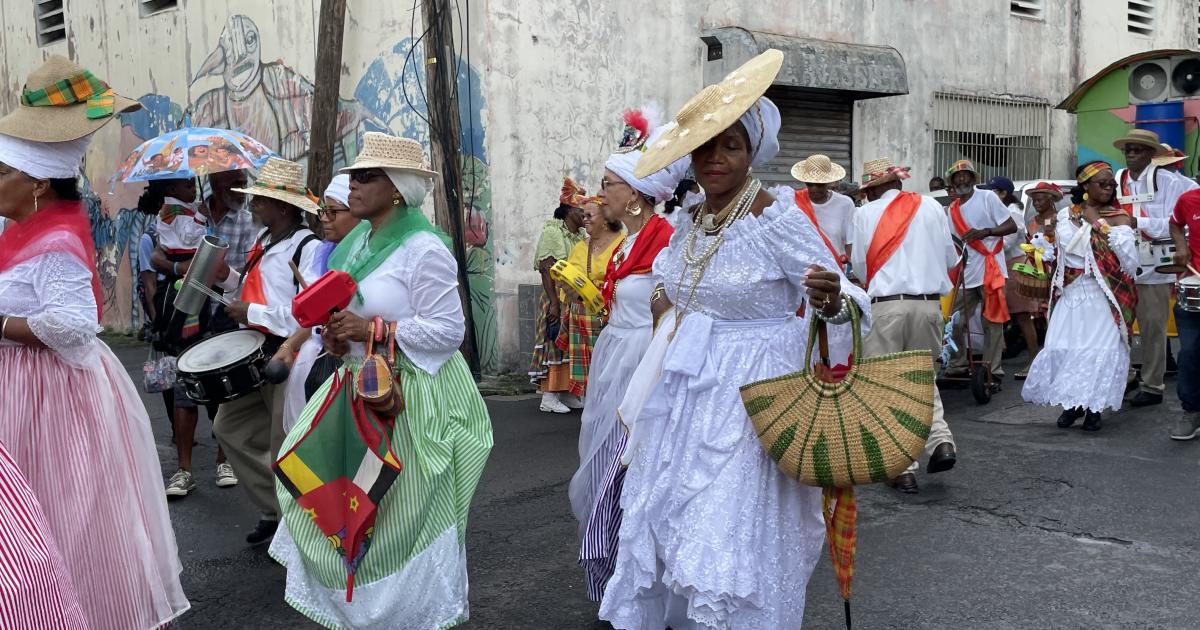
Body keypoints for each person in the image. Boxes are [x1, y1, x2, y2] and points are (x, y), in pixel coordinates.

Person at [598, 49, 871, 629]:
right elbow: (671, 290)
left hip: (755, 397)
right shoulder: (689, 220)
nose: (716, 158)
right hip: (686, 392)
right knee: (678, 516)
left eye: (731, 145)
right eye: (706, 146)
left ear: (752, 152)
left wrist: (828, 298)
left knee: (733, 525)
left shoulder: (776, 217)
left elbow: (848, 298)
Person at [269, 131, 492, 629]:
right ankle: (359, 615)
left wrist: (371, 329)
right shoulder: (355, 243)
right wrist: (337, 337)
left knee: (398, 519)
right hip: (354, 388)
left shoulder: (423, 248)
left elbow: (450, 331)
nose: (352, 184)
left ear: (396, 188)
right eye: (354, 175)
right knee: (328, 503)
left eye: (365, 176)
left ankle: (408, 616)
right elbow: (350, 314)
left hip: (407, 398)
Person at [0, 55, 189, 628]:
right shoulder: (24, 227)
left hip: (53, 396)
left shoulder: (55, 238)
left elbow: (74, 323)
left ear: (33, 184)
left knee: (60, 514)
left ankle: (69, 610)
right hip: (25, 387)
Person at [569, 112, 688, 601]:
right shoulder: (627, 244)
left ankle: (634, 579)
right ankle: (613, 570)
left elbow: (671, 311)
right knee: (600, 462)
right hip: (613, 355)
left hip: (642, 360)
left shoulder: (667, 241)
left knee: (628, 469)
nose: (601, 196)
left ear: (635, 195)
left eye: (608, 185)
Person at [213, 156, 321, 545]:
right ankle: (274, 510)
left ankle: (295, 528)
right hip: (252, 351)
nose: (253, 204)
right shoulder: (263, 241)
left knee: (283, 444)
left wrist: (252, 311)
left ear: (283, 207)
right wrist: (226, 279)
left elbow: (308, 315)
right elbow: (255, 289)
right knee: (228, 428)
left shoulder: (308, 248)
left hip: (285, 355)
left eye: (261, 199)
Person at [850, 157, 959, 495]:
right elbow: (951, 259)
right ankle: (940, 442)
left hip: (886, 306)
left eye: (868, 191)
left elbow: (859, 266)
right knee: (922, 378)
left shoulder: (864, 214)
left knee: (886, 388)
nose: (866, 197)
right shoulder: (931, 206)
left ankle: (903, 468)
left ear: (876, 189)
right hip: (927, 305)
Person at [140, 177, 241, 497]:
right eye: (231, 179)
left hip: (224, 314)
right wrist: (181, 266)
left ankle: (225, 461)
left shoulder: (246, 222)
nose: (237, 184)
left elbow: (241, 273)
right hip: (186, 316)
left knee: (221, 392)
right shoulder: (179, 214)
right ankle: (185, 471)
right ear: (215, 182)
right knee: (184, 391)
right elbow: (157, 257)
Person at [1023, 162, 1138, 431]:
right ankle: (1073, 405)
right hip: (1072, 293)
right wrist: (1044, 247)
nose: (1108, 188)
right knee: (1065, 348)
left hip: (1103, 295)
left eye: (1111, 184)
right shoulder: (1066, 215)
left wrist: (1096, 223)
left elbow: (1128, 263)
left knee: (1099, 351)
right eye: (1102, 183)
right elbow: (1057, 252)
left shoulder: (1119, 217)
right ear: (1085, 186)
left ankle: (1094, 409)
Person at [1113, 129, 1199, 407]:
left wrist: (1138, 223)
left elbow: (1179, 222)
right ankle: (1125, 376)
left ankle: (1152, 384)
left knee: (1152, 327)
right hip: (1121, 263)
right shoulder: (1117, 180)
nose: (1132, 154)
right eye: (1129, 150)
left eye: (1138, 150)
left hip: (1155, 263)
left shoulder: (1174, 183)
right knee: (1118, 326)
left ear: (1151, 154)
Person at [275, 173, 360, 433]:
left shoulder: (366, 259)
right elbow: (315, 318)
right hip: (314, 358)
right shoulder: (322, 252)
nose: (324, 218)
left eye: (333, 211)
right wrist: (289, 346)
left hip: (351, 365)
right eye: (324, 210)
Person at [945, 160, 1018, 378]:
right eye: (956, 177)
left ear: (973, 178)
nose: (961, 179)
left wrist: (985, 232)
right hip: (966, 272)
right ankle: (958, 364)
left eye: (965, 175)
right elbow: (953, 243)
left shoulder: (987, 197)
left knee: (992, 323)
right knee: (953, 320)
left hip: (991, 269)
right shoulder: (953, 209)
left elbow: (1011, 225)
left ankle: (992, 369)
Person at [556, 195, 623, 402]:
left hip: (611, 317)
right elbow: (566, 279)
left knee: (610, 372)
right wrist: (566, 286)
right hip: (582, 318)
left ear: (605, 218)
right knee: (588, 377)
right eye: (583, 215)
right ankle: (591, 414)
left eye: (589, 215)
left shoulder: (622, 244)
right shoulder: (580, 247)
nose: (584, 219)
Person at [530, 180, 588, 413]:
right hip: (555, 297)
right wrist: (554, 303)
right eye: (581, 209)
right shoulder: (553, 232)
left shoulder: (580, 234)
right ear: (570, 210)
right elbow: (546, 268)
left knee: (568, 346)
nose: (585, 214)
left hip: (572, 298)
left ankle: (566, 392)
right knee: (553, 342)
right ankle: (549, 396)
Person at [1008, 181, 1062, 379]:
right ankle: (1034, 361)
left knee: (1055, 319)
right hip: (1035, 273)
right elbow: (1028, 248)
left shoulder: (1060, 220)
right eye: (1034, 200)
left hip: (1057, 275)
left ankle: (1056, 362)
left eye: (1040, 199)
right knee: (1025, 317)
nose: (1036, 203)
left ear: (1051, 199)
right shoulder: (1031, 222)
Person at [1167, 187, 1200, 439]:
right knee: (1189, 353)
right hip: (1193, 289)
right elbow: (1175, 224)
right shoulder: (1188, 200)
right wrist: (1180, 245)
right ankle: (1192, 411)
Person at [791, 154, 854, 263]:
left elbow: (850, 242)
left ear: (828, 182)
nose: (814, 188)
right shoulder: (795, 202)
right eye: (810, 184)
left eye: (819, 184)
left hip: (834, 268)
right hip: (804, 268)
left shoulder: (845, 204)